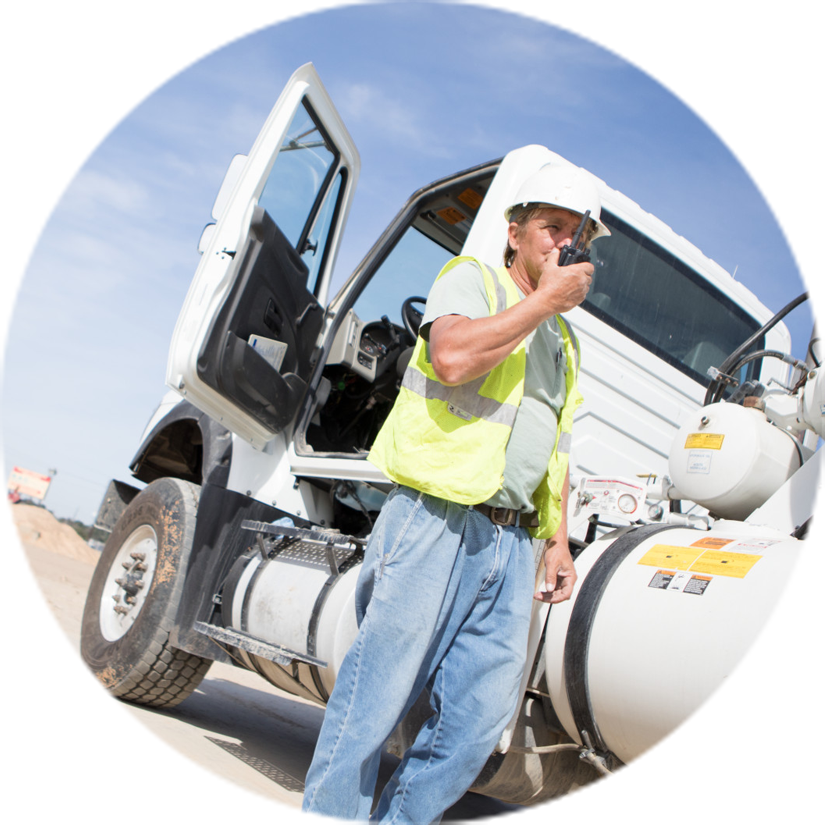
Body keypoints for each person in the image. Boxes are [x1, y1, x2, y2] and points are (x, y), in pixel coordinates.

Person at [300, 163, 609, 825]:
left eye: (577, 234)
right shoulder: (474, 280)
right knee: (375, 697)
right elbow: (451, 359)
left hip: (512, 541)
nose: (566, 242)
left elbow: (554, 445)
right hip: (434, 518)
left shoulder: (564, 339)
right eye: (551, 226)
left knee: (476, 723)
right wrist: (542, 303)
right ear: (515, 233)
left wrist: (555, 539)